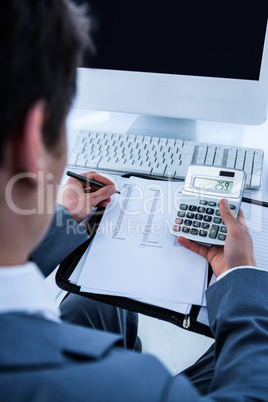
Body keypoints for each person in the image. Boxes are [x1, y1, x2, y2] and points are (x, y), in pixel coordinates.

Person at [0, 0, 268, 400]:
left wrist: (58, 220)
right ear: (33, 141)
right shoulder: (134, 388)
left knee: (98, 305)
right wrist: (240, 277)